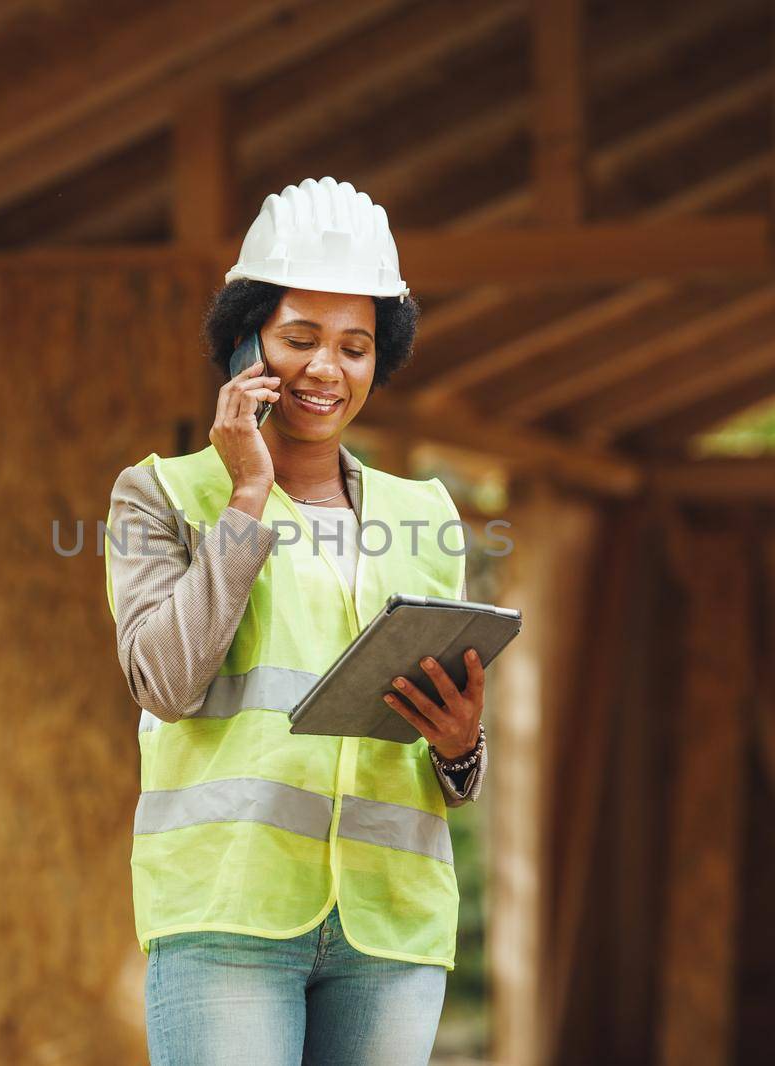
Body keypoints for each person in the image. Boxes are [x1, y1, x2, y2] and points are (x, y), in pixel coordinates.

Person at [103, 176, 487, 1065]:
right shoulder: (160, 493)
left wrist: (463, 745)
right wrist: (246, 498)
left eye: (355, 347)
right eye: (300, 339)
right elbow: (163, 680)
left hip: (390, 927)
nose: (327, 369)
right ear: (246, 342)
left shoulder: (425, 514)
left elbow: (453, 772)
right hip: (226, 913)